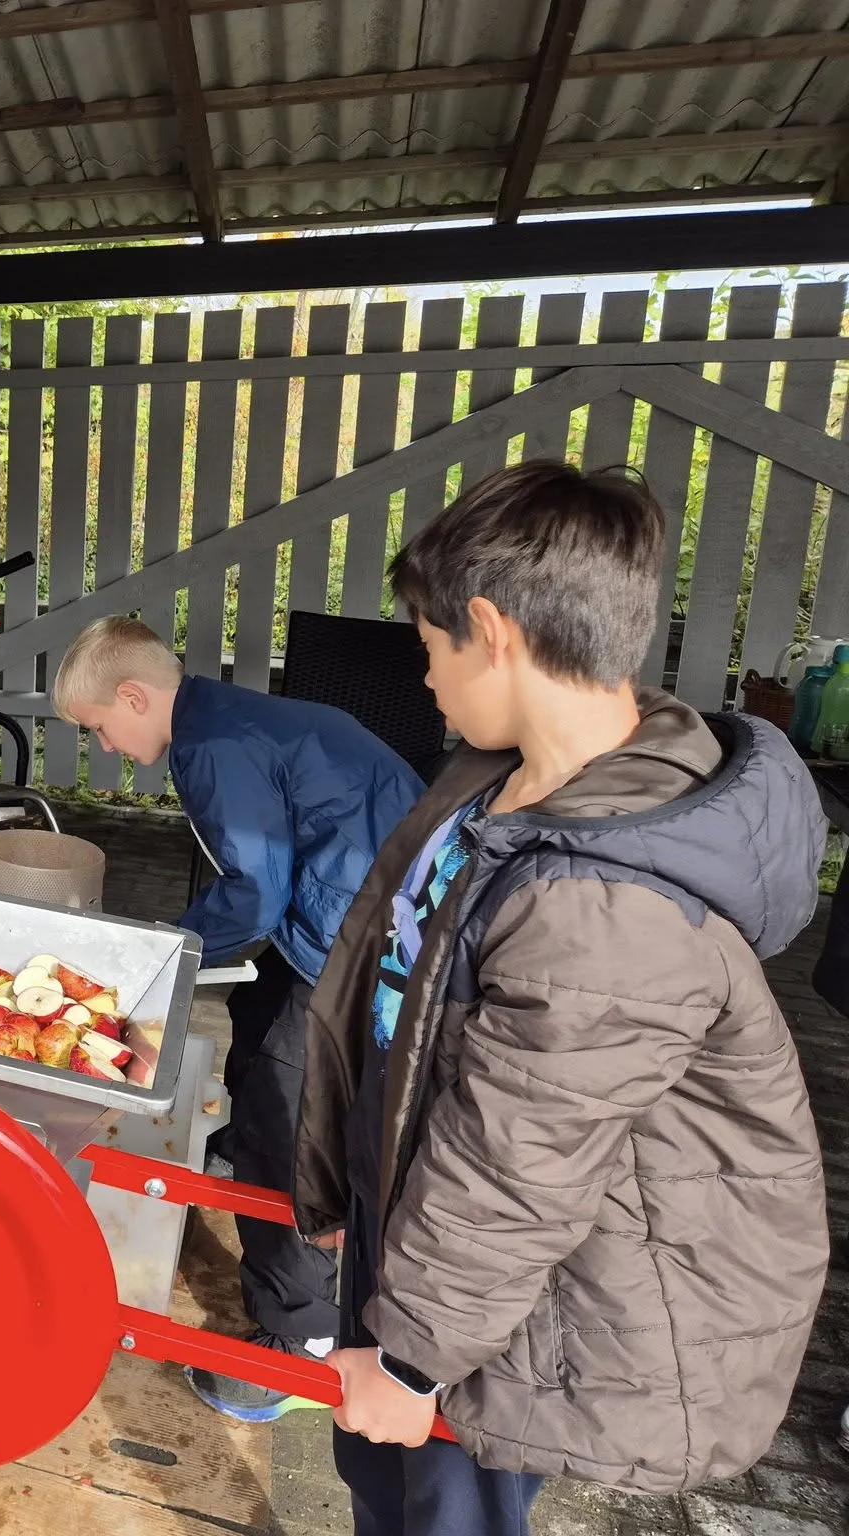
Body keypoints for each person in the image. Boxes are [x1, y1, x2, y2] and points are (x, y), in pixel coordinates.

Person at [292, 461, 828, 1532]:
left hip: (520, 1306)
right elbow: (387, 984)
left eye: (430, 646)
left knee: (447, 1510)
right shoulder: (492, 777)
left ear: (491, 632)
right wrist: (347, 1189)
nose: (424, 676)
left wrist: (409, 1358)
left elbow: (519, 1159)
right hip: (423, 1225)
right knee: (379, 1487)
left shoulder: (606, 901)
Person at [51, 615, 422, 1422]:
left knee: (288, 1122)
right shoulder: (219, 718)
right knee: (255, 1018)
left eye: (99, 727)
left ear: (133, 696)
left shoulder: (212, 746)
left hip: (368, 943)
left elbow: (254, 891)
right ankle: (241, 1141)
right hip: (351, 911)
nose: (105, 746)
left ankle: (304, 1338)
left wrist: (168, 951)